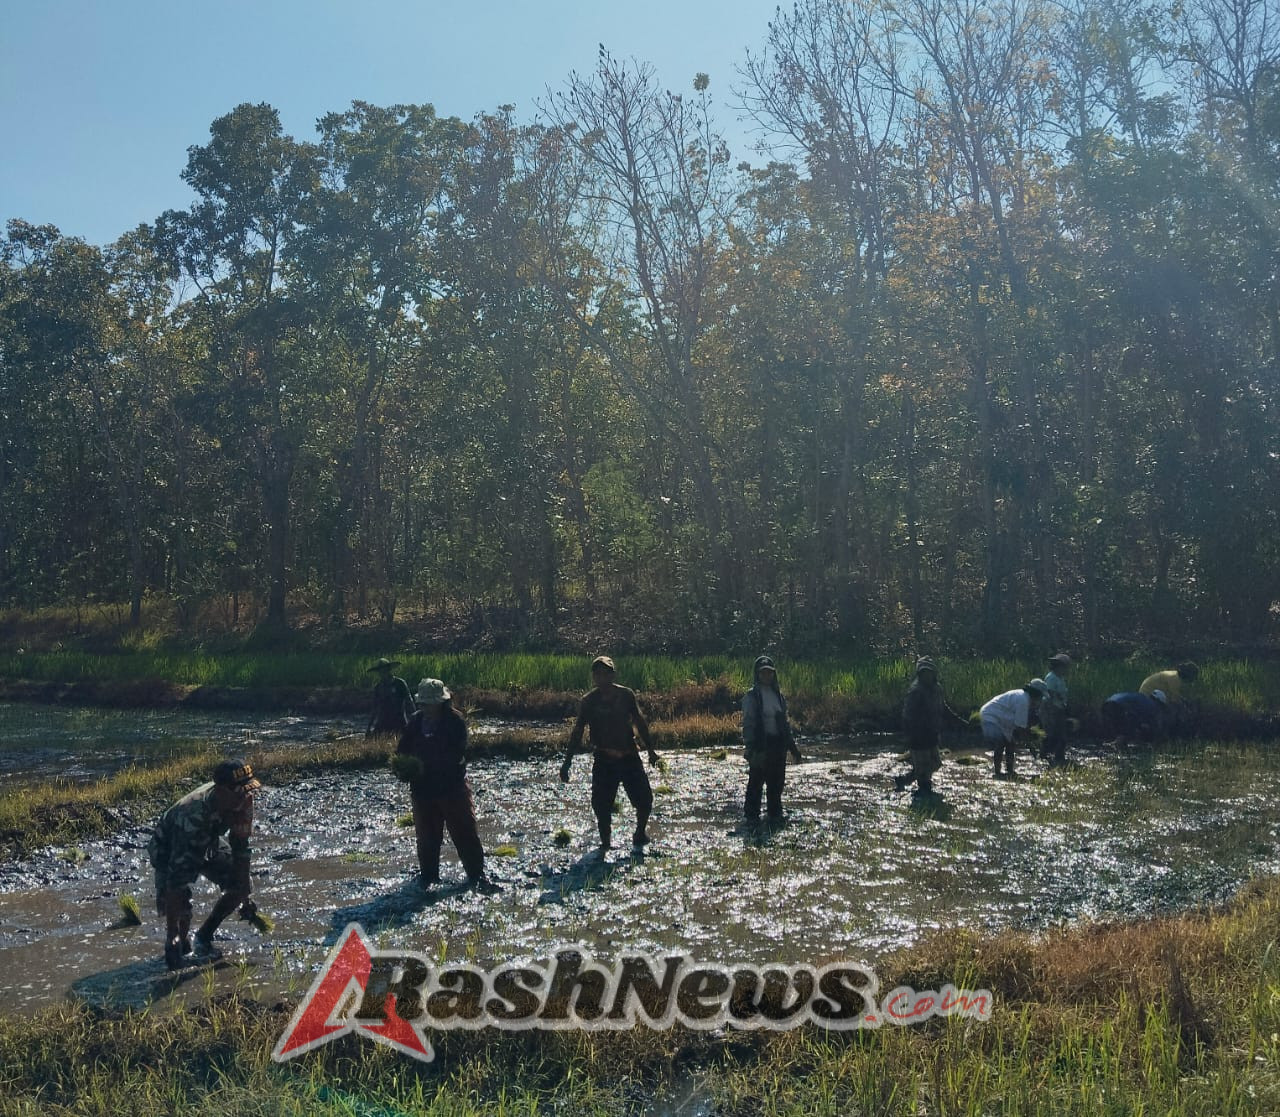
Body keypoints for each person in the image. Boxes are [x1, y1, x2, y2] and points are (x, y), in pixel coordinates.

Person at [148, 758, 261, 970]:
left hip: (209, 840)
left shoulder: (244, 801)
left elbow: (241, 848)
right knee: (181, 912)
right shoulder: (192, 815)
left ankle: (205, 934)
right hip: (170, 846)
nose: (245, 795)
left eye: (247, 790)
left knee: (241, 886)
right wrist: (172, 936)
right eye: (238, 791)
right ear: (221, 791)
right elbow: (176, 881)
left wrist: (245, 896)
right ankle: (177, 941)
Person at [394, 678, 497, 892]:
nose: (427, 707)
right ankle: (429, 879)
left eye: (431, 703)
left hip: (452, 787)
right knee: (427, 838)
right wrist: (402, 766)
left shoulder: (455, 721)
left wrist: (428, 765)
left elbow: (457, 753)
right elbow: (402, 749)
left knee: (465, 833)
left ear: (442, 702)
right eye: (423, 703)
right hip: (423, 790)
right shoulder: (415, 721)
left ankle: (477, 877)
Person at [560, 655, 660, 851]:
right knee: (601, 805)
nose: (602, 678)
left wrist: (651, 751)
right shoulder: (589, 701)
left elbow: (639, 721)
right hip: (604, 758)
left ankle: (640, 833)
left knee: (645, 800)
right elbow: (578, 731)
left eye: (606, 674)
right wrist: (567, 762)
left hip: (629, 756)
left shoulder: (626, 695)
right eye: (598, 674)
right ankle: (605, 843)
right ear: (594, 677)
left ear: (613, 675)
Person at [742, 655, 802, 821]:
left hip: (778, 746)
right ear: (757, 674)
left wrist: (793, 750)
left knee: (776, 786)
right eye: (763, 673)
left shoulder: (779, 696)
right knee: (755, 785)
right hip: (761, 746)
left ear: (773, 674)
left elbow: (785, 724)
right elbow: (748, 724)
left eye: (769, 673)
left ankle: (774, 818)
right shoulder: (752, 697)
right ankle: (751, 821)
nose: (767, 676)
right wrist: (750, 748)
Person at [896, 656, 967, 795]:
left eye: (929, 672)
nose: (927, 675)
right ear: (919, 674)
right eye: (924, 673)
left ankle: (904, 780)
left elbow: (944, 708)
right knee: (924, 772)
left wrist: (959, 721)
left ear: (934, 673)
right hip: (918, 736)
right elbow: (907, 715)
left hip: (932, 734)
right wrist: (910, 735)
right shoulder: (915, 691)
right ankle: (924, 798)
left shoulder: (937, 688)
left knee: (935, 764)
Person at [980, 679, 1050, 778]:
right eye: (1041, 697)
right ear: (1036, 694)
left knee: (1011, 743)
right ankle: (997, 772)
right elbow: (1021, 729)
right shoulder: (1023, 701)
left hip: (1003, 720)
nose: (1041, 700)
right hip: (990, 716)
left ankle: (1010, 771)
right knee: (1000, 742)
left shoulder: (1025, 699)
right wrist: (1031, 747)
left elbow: (1020, 727)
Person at [1140, 661, 1200, 736]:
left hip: (1154, 693)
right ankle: (1166, 732)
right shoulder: (1175, 680)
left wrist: (1185, 701)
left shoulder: (1176, 676)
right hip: (1148, 694)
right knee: (1171, 709)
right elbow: (1174, 700)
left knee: (1173, 708)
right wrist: (1187, 711)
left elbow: (1174, 695)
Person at [1101, 689, 1168, 747]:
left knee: (1123, 729)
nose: (1160, 709)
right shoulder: (1151, 705)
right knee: (1126, 731)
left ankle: (1113, 744)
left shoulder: (1142, 698)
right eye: (1161, 706)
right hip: (1116, 706)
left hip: (1106, 704)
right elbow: (1140, 721)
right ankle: (1117, 745)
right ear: (1157, 701)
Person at [366, 658, 414, 737]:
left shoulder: (400, 683)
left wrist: (415, 718)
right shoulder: (378, 687)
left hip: (399, 719)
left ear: (389, 670)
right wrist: (369, 727)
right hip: (383, 721)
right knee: (373, 739)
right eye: (380, 671)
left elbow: (409, 701)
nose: (382, 673)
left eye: (384, 670)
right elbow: (374, 708)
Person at [1040, 653, 1073, 766]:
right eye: (1066, 667)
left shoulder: (1060, 678)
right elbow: (1050, 693)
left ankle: (1058, 757)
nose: (1067, 669)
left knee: (1061, 734)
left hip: (1059, 708)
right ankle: (1044, 756)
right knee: (1052, 734)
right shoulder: (1051, 677)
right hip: (1051, 709)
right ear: (1059, 666)